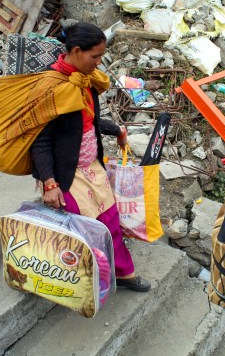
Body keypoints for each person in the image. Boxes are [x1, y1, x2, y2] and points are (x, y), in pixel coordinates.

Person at [30, 21, 151, 292]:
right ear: (76, 51)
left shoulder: (84, 81)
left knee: (109, 220)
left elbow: (90, 121)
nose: (98, 63)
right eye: (94, 56)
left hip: (90, 165)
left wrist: (116, 129)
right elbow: (40, 140)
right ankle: (85, 283)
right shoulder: (50, 86)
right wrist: (49, 183)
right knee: (83, 230)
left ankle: (123, 273)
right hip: (64, 174)